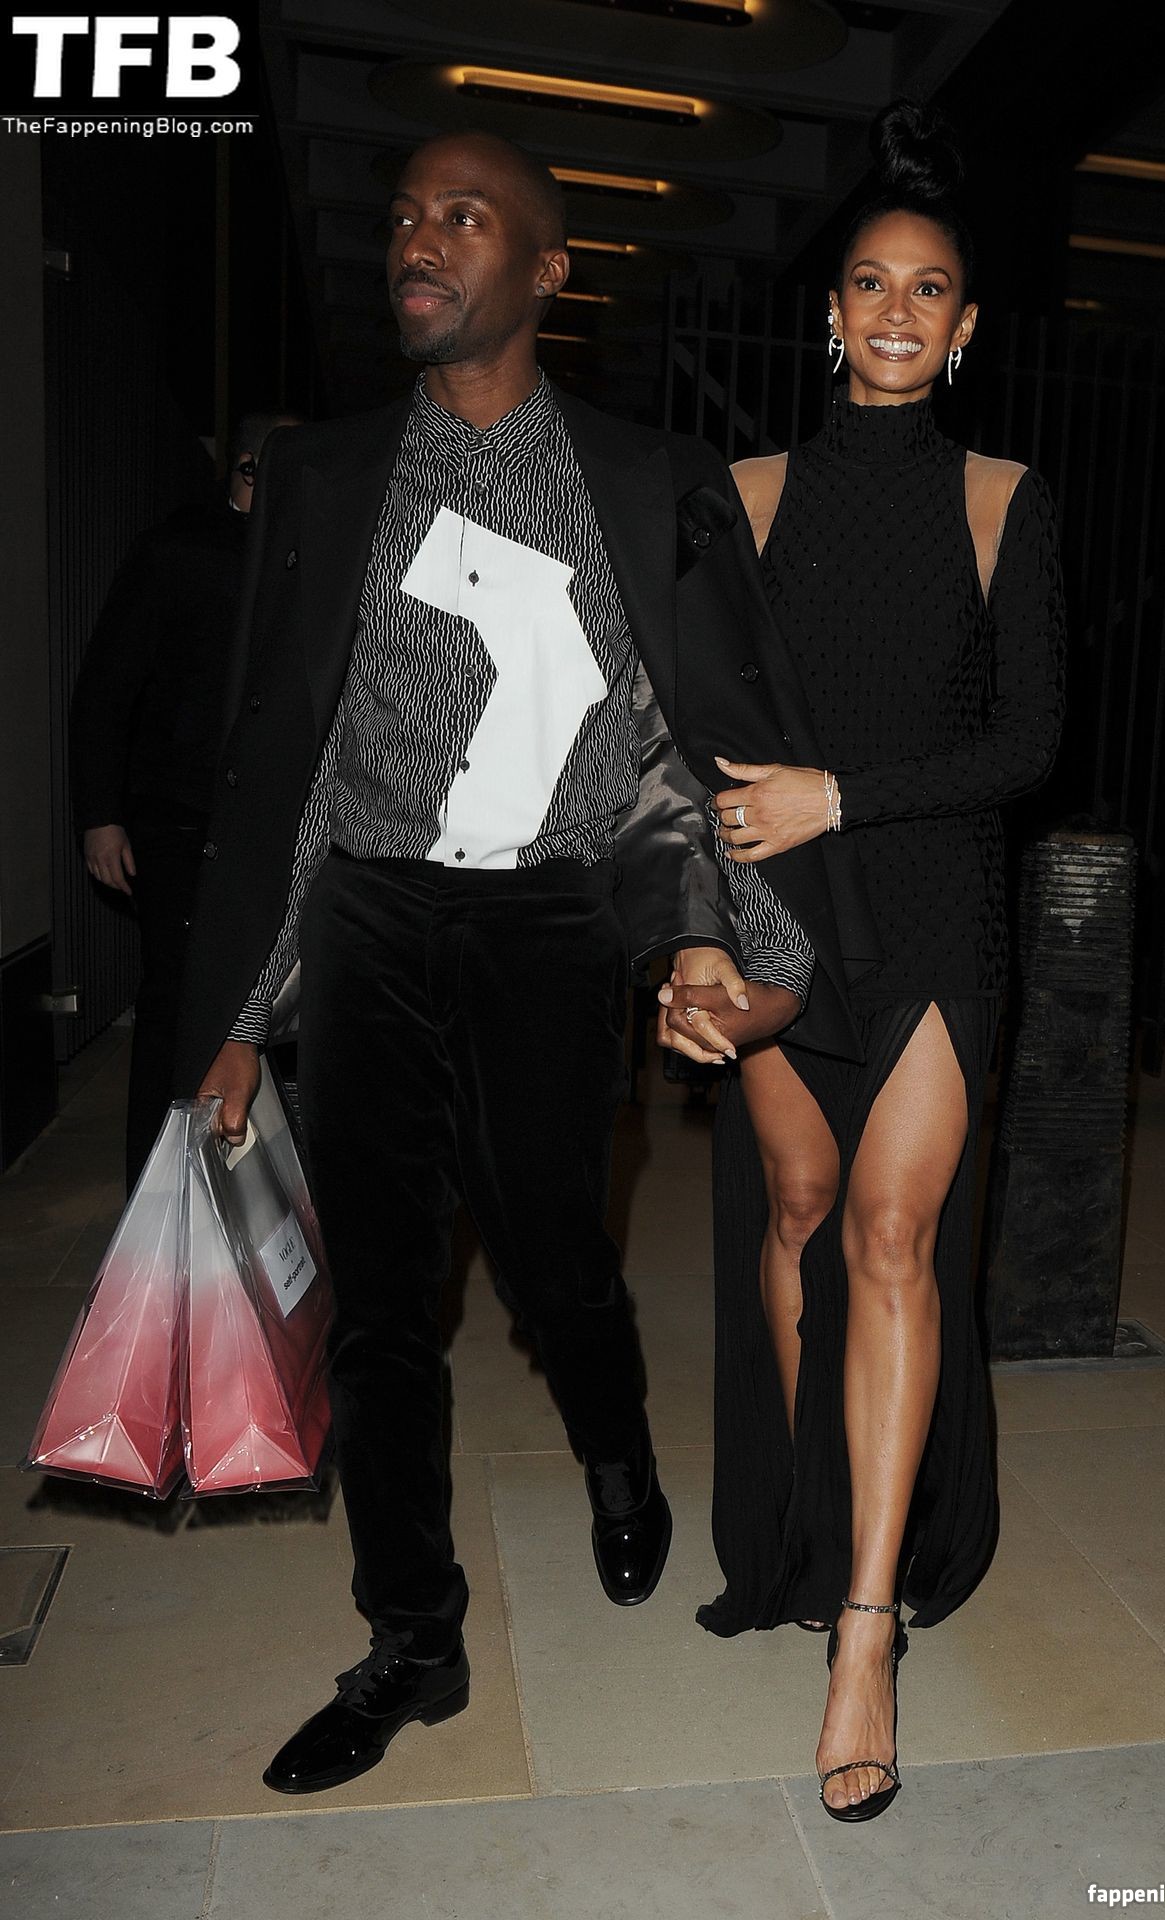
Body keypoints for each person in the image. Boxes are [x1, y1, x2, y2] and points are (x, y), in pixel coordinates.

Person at [175, 130, 879, 1797]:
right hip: (368, 914)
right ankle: (411, 1635)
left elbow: (687, 742)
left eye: (464, 217)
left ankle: (616, 1455)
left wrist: (726, 947)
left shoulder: (646, 479)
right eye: (404, 215)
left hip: (552, 922)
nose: (418, 239)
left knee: (559, 1260)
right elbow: (293, 756)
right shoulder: (330, 476)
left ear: (548, 271)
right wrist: (243, 1013)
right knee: (380, 1303)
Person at [658, 100, 1067, 1822]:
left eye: (929, 290)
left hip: (938, 914)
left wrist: (842, 791)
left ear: (964, 330)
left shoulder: (999, 501)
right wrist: (696, 928)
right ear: (829, 315)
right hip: (781, 920)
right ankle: (822, 1517)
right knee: (801, 1214)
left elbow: (1029, 744)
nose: (898, 311)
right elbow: (684, 747)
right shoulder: (740, 499)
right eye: (870, 285)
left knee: (895, 1235)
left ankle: (865, 1630)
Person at [70, 413, 298, 1187]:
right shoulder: (177, 548)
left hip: (274, 823)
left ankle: (250, 1186)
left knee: (263, 1008)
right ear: (249, 467)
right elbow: (107, 684)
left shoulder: (307, 554)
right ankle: (158, 1191)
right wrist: (99, 816)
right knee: (176, 1000)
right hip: (176, 816)